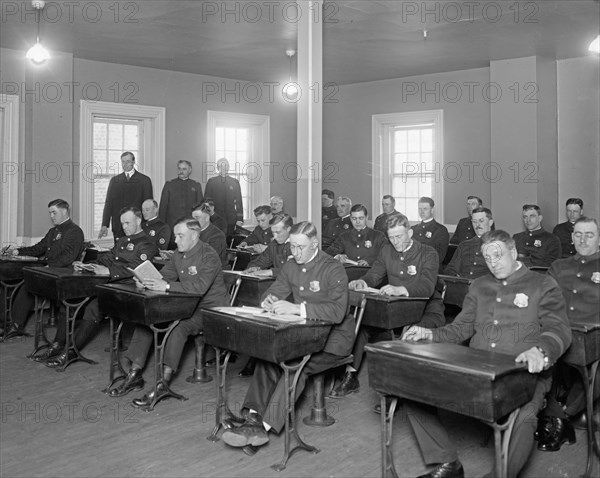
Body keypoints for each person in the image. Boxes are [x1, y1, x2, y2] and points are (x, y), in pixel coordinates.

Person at [402, 229, 571, 478]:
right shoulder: (480, 285)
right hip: (476, 371)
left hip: (522, 373)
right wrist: (430, 334)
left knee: (524, 419)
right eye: (487, 258)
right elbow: (461, 327)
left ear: (513, 252)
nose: (492, 262)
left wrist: (541, 351)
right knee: (411, 389)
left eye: (498, 255)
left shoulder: (542, 284)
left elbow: (560, 329)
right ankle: (447, 462)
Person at [221, 221, 354, 449]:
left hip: (334, 339)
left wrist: (296, 309)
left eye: (301, 247)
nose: (296, 252)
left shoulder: (332, 267)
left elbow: (337, 311)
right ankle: (252, 415)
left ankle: (264, 426)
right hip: (304, 335)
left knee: (294, 365)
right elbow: (277, 289)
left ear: (315, 243)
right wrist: (269, 299)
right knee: (268, 356)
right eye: (292, 247)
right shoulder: (292, 265)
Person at [108, 218, 229, 406]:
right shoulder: (178, 254)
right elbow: (165, 276)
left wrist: (164, 285)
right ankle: (135, 374)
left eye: (181, 236)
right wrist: (146, 281)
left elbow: (198, 287)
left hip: (210, 309)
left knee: (178, 328)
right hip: (185, 305)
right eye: (175, 236)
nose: (176, 240)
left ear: (195, 235)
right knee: (148, 320)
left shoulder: (209, 255)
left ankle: (163, 382)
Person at [329, 213, 440, 398]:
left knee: (410, 334)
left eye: (399, 236)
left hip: (426, 308)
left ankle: (396, 391)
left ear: (410, 233)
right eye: (391, 237)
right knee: (360, 325)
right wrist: (362, 282)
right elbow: (374, 274)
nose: (395, 242)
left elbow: (427, 287)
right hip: (394, 309)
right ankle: (351, 376)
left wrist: (400, 289)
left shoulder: (428, 253)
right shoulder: (387, 251)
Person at [44, 207, 158, 367]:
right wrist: (86, 265)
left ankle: (71, 352)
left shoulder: (147, 244)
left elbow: (135, 267)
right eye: (122, 223)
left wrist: (109, 271)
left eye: (127, 223)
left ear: (139, 221)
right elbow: (107, 258)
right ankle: (57, 344)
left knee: (93, 307)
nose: (124, 227)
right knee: (68, 298)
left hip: (127, 287)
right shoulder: (123, 240)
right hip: (107, 283)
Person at [535, 216, 600, 452]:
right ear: (572, 238)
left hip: (594, 335)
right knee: (539, 361)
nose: (583, 239)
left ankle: (560, 416)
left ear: (599, 238)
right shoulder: (559, 266)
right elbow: (544, 299)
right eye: (578, 234)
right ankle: (557, 419)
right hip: (560, 330)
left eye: (589, 234)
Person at [2, 199, 85, 341]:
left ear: (64, 212)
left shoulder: (75, 231)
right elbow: (38, 248)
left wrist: (47, 268)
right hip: (48, 270)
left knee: (27, 283)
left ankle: (16, 325)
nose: (51, 216)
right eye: (50, 213)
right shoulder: (53, 231)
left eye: (54, 212)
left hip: (62, 274)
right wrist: (17, 252)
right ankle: (6, 323)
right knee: (8, 277)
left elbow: (68, 258)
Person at [99, 151, 153, 241]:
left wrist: (147, 225)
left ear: (133, 162)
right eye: (123, 161)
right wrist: (105, 224)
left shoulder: (144, 180)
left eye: (128, 161)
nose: (125, 164)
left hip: (137, 227)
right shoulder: (115, 180)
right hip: (119, 226)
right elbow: (109, 204)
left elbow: (148, 206)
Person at [443, 207, 494, 279]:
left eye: (481, 221)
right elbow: (451, 269)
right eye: (474, 221)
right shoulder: (464, 245)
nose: (477, 225)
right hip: (462, 286)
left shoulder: (499, 245)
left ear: (490, 222)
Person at [158, 160, 203, 240]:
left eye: (184, 169)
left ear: (190, 170)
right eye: (179, 169)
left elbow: (200, 208)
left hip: (190, 226)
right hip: (172, 226)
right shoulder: (169, 185)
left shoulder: (196, 186)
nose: (181, 171)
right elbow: (163, 207)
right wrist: (162, 227)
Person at [243, 213, 293, 278]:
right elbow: (261, 260)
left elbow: (294, 271)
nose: (275, 237)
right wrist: (252, 268)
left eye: (278, 232)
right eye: (273, 232)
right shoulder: (274, 244)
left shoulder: (298, 245)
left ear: (289, 229)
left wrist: (270, 272)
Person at [204, 158, 243, 236]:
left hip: (231, 219)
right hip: (215, 218)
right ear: (218, 168)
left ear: (228, 167)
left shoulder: (235, 182)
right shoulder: (212, 182)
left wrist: (239, 219)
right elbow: (206, 201)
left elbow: (239, 202)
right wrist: (208, 216)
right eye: (221, 166)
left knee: (229, 242)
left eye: (225, 166)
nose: (223, 168)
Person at [412, 197, 449, 272]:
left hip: (430, 270)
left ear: (432, 210)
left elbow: (439, 257)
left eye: (425, 209)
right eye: (420, 209)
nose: (422, 212)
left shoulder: (440, 230)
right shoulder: (413, 229)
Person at [191, 204, 228, 268]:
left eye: (197, 217)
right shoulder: (191, 232)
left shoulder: (217, 235)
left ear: (207, 218)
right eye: (192, 218)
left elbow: (207, 259)